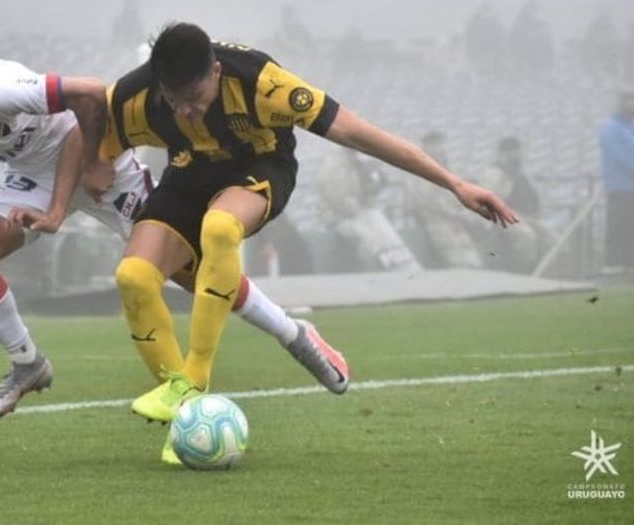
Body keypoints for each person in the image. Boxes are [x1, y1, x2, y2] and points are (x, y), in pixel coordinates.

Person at [72, 23, 518, 425]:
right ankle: (189, 417)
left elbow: (362, 135)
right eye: (175, 101)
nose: (185, 111)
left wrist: (455, 184)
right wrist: (91, 161)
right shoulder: (139, 97)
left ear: (217, 72)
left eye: (195, 99)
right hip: (187, 175)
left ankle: (194, 378)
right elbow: (85, 125)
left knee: (220, 228)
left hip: (260, 168)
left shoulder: (264, 85)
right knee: (133, 277)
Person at [0, 59, 346, 429]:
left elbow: (91, 95)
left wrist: (73, 190)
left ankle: (294, 334)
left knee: (193, 272)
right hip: (31, 176)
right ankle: (27, 365)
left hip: (93, 155)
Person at [404, 132, 485, 269]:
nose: (439, 150)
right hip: (435, 221)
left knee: (473, 261)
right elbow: (426, 201)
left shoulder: (450, 172)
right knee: (458, 261)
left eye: (440, 145)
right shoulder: (417, 173)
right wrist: (458, 214)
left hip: (455, 221)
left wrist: (465, 213)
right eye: (434, 146)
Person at [476, 137, 552, 273]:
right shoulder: (494, 172)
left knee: (549, 236)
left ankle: (544, 271)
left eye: (517, 151)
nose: (517, 155)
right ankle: (524, 271)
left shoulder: (518, 173)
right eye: (511, 152)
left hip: (526, 215)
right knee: (526, 236)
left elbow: (532, 196)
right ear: (503, 154)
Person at [599, 92, 634, 270]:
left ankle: (627, 259)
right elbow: (617, 155)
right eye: (629, 103)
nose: (633, 107)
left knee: (632, 223)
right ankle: (613, 261)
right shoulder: (611, 128)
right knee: (617, 223)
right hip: (619, 186)